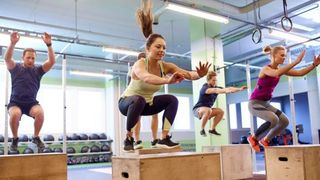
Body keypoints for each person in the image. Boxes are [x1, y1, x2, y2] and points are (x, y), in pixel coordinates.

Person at [118, 1, 211, 151]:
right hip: (127, 104)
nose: (162, 50)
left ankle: (164, 138)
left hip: (146, 105)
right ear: (148, 49)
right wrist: (168, 80)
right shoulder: (140, 64)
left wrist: (199, 75)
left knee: (171, 99)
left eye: (164, 48)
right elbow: (147, 77)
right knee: (138, 99)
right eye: (158, 47)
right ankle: (128, 137)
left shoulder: (165, 66)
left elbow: (188, 74)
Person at [247, 45, 320, 152]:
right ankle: (253, 138)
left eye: (285, 56)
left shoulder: (281, 70)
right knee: (273, 119)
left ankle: (266, 140)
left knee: (285, 121)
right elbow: (276, 73)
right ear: (273, 55)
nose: (284, 58)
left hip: (266, 103)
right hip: (255, 103)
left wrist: (314, 65)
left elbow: (300, 73)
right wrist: (296, 61)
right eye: (282, 56)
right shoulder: (266, 69)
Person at [4, 32, 56, 151]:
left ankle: (36, 137)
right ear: (23, 58)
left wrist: (49, 45)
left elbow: (52, 62)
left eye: (33, 58)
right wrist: (12, 44)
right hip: (15, 102)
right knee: (15, 114)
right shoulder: (16, 68)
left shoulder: (38, 70)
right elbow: (7, 58)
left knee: (40, 112)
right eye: (28, 57)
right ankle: (15, 138)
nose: (30, 60)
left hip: (31, 103)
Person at [193, 71, 247, 137]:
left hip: (207, 111)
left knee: (220, 112)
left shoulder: (216, 87)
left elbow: (228, 89)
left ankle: (212, 129)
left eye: (216, 80)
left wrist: (240, 89)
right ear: (208, 80)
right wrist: (223, 91)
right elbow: (215, 90)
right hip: (197, 110)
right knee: (208, 110)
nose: (215, 82)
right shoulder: (205, 88)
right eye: (213, 80)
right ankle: (202, 129)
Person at [128, 53, 160, 150]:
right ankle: (137, 140)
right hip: (137, 96)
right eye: (142, 60)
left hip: (149, 96)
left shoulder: (151, 69)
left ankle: (154, 140)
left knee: (155, 113)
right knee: (138, 116)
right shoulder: (135, 69)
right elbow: (129, 85)